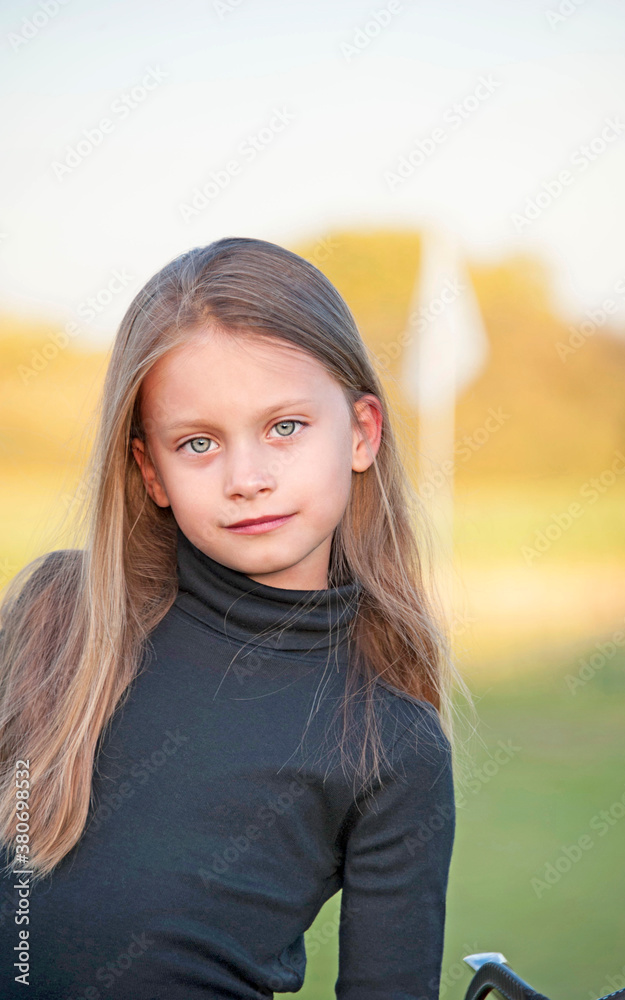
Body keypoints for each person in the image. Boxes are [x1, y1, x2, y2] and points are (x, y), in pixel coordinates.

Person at [0, 236, 474, 998]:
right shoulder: (58, 616)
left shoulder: (389, 739)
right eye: (198, 443)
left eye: (284, 427)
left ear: (361, 432)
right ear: (151, 471)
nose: (246, 478)